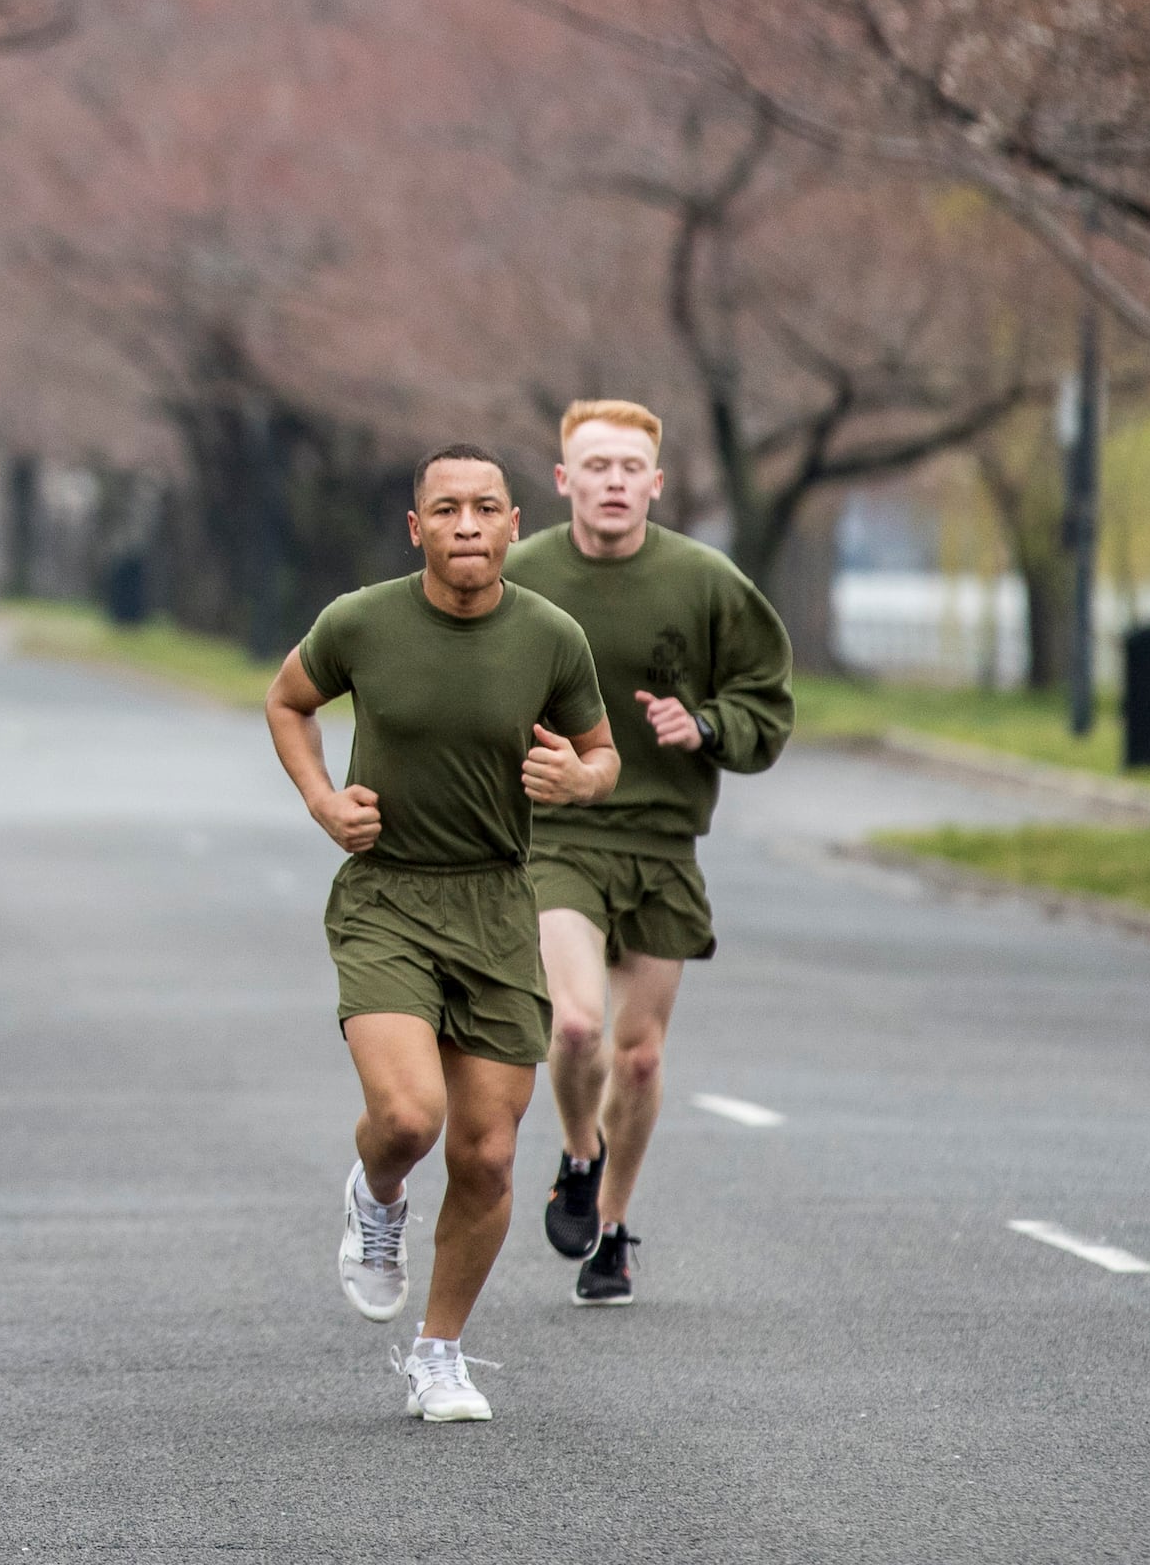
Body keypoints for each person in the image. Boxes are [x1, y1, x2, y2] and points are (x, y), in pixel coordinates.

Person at [264, 443, 618, 1423]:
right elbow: (289, 700)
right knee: (411, 1117)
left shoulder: (551, 636)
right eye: (447, 509)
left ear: (514, 525)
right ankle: (378, 1194)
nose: (468, 524)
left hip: (499, 904)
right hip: (388, 898)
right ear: (416, 527)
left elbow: (602, 756)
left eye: (487, 508)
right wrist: (323, 799)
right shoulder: (361, 621)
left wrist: (578, 780)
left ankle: (438, 1352)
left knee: (488, 1154)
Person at [505, 398, 794, 1307]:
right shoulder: (519, 576)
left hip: (664, 844)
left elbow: (768, 704)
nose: (615, 482)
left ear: (657, 485)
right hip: (558, 835)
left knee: (637, 1056)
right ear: (564, 482)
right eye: (596, 467)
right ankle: (578, 1158)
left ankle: (613, 1230)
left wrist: (704, 724)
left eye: (632, 469)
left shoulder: (706, 583)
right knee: (579, 1026)